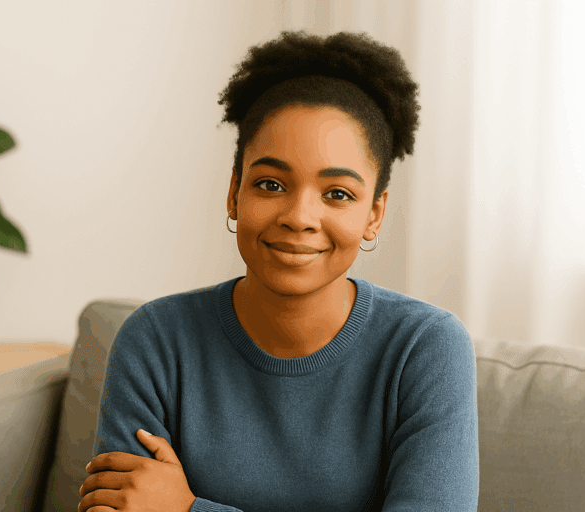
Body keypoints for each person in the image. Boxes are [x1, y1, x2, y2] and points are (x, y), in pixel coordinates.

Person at [79, 30, 478, 512]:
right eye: (270, 184)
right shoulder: (156, 341)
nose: (299, 216)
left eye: (337, 194)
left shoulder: (425, 348)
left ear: (374, 214)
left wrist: (188, 510)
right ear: (234, 193)